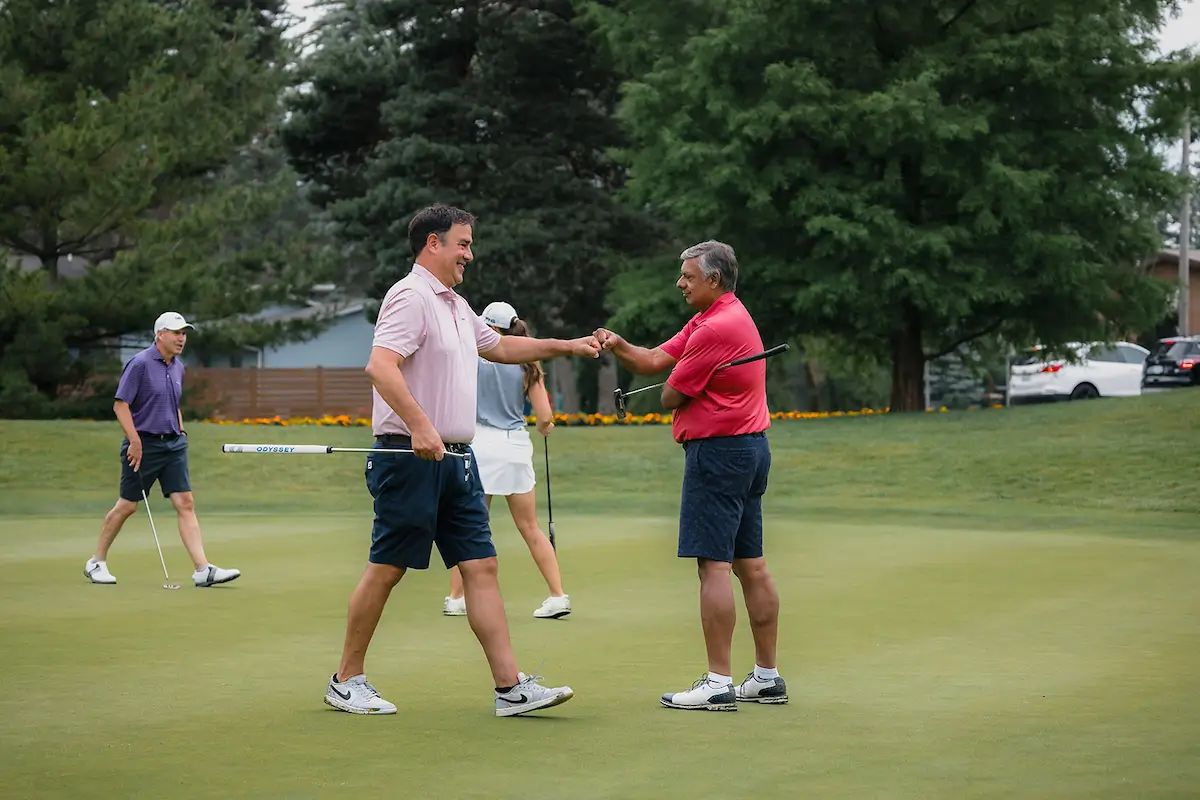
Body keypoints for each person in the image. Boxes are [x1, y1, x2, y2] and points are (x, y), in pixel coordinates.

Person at [324, 203, 600, 718]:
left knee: (483, 565)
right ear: (434, 244)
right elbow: (380, 367)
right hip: (409, 456)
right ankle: (346, 680)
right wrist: (421, 425)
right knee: (387, 569)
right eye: (463, 244)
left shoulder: (453, 303)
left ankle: (509, 687)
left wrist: (566, 345)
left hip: (457, 460)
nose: (470, 254)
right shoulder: (410, 296)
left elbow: (497, 347)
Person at [594, 240, 786, 711]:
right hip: (750, 450)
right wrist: (619, 345)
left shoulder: (715, 328)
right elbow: (654, 362)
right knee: (750, 564)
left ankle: (718, 681)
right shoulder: (716, 316)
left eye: (688, 276)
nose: (680, 283)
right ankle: (766, 677)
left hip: (719, 454)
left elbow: (668, 396)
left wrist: (687, 384)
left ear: (713, 280)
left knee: (713, 566)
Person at [84, 312, 241, 588]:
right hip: (143, 444)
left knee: (185, 503)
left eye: (184, 333)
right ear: (160, 335)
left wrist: (180, 433)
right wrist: (134, 441)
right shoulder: (140, 364)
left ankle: (202, 568)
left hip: (173, 445)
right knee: (127, 505)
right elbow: (120, 405)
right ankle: (97, 561)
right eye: (176, 332)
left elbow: (173, 404)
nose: (182, 338)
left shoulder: (178, 367)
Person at [443, 300, 570, 620]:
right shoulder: (527, 362)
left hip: (480, 444)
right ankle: (557, 595)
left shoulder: (473, 355)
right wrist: (546, 426)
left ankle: (457, 598)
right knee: (530, 527)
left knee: (469, 525)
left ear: (489, 326)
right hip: (514, 446)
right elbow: (544, 417)